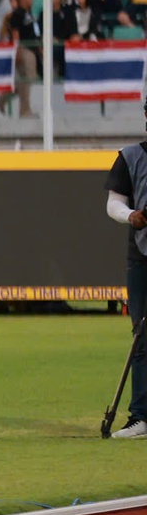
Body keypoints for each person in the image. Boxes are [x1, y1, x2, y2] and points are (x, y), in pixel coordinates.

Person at [104, 137, 147, 437]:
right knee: (141, 336)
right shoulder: (130, 157)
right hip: (141, 257)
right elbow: (114, 203)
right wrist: (131, 215)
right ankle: (141, 416)